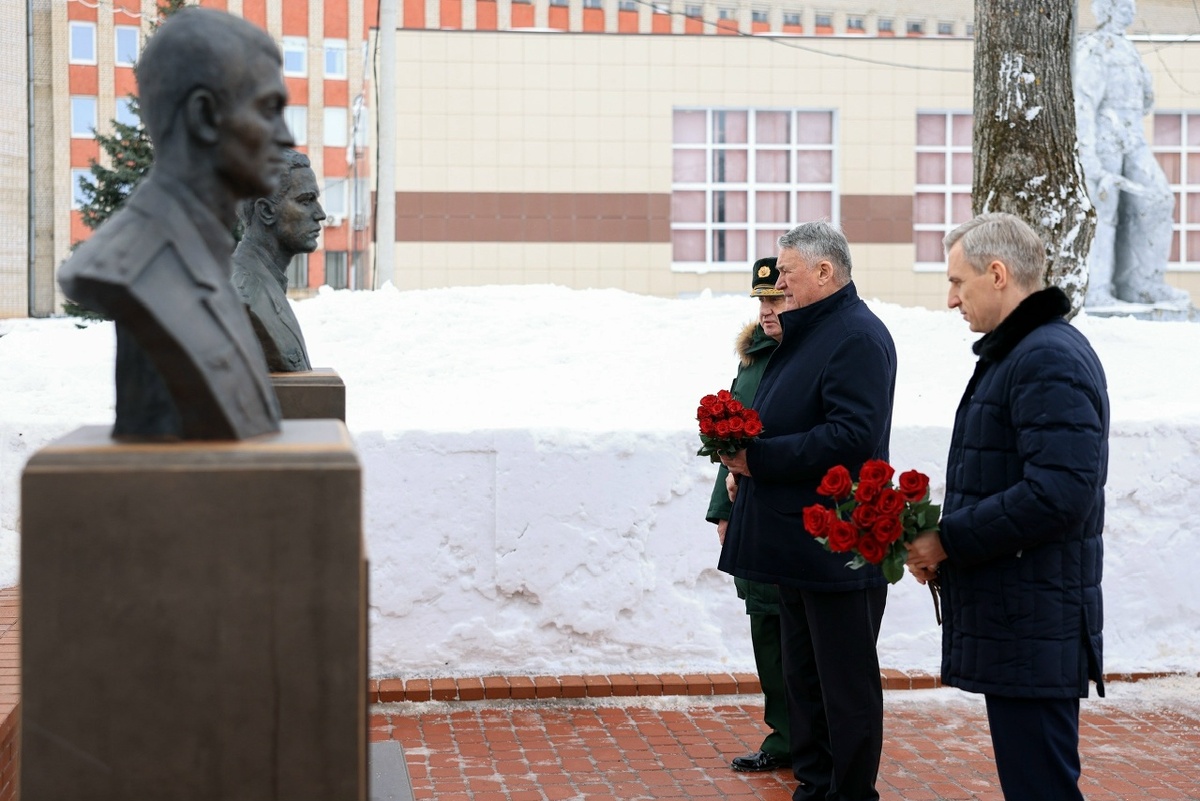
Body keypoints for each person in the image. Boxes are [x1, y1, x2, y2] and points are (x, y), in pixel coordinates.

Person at [906, 212, 1109, 801]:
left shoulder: (1045, 357)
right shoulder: (1022, 352)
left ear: (997, 274)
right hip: (1022, 615)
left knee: (1041, 788)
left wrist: (949, 539)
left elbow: (1058, 494)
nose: (950, 300)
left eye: (957, 282)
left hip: (1034, 618)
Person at [718, 221, 897, 801]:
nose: (779, 283)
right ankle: (814, 787)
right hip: (800, 546)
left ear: (824, 272)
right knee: (805, 682)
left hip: (837, 547)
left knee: (843, 688)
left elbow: (849, 436)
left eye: (787, 272)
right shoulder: (812, 331)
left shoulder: (856, 337)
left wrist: (758, 460)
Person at [57, 7, 293, 440]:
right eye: (269, 109)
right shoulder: (134, 268)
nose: (287, 135)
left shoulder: (207, 255)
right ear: (204, 116)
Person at [705, 257, 790, 773]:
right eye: (761, 301)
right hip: (751, 513)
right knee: (765, 627)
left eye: (776, 299)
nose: (767, 310)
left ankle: (814, 739)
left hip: (791, 515)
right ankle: (783, 738)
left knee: (798, 632)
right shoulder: (752, 361)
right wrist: (723, 510)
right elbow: (726, 442)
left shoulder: (805, 354)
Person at [1075, 0, 1190, 308]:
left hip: (1133, 137)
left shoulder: (1128, 49)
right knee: (1103, 211)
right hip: (1104, 138)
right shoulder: (1093, 48)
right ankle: (1096, 290)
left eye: (1130, 3)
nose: (1130, 8)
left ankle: (1142, 284)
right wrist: (1091, 162)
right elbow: (1083, 105)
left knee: (1158, 199)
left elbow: (1146, 99)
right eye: (1121, 3)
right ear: (1105, 8)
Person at [232, 148, 324, 372]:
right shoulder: (242, 296)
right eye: (306, 200)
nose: (320, 213)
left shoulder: (265, 284)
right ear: (266, 211)